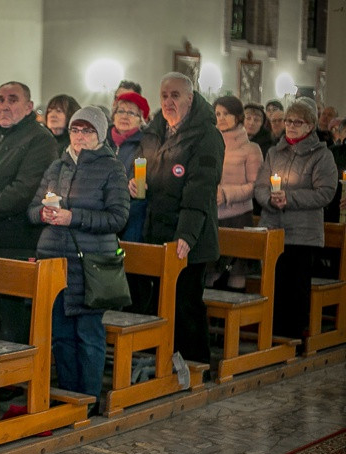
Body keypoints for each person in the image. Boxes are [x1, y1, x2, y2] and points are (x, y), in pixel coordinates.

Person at [28, 107, 128, 413]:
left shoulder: (111, 168)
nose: (80, 137)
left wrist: (74, 217)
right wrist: (42, 214)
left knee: (88, 334)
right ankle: (68, 399)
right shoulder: (57, 166)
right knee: (60, 336)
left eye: (87, 131)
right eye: (75, 130)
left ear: (99, 135)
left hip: (89, 264)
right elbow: (32, 209)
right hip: (54, 262)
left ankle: (89, 401)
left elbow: (118, 217)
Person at [135, 72, 223, 365]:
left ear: (190, 97)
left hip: (190, 236)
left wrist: (186, 235)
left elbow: (200, 188)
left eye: (175, 95)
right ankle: (162, 363)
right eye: (164, 96)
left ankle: (197, 365)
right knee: (158, 302)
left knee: (186, 304)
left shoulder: (206, 135)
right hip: (157, 229)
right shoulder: (154, 131)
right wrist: (133, 182)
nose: (169, 101)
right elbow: (141, 165)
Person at [0, 81, 58, 343]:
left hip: (16, 242)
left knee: (12, 322)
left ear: (29, 106)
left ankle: (12, 381)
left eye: (13, 99)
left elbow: (23, 189)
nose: (5, 105)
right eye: (1, 99)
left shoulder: (40, 139)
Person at [254, 101, 337, 342]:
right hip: (273, 227)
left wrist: (289, 198)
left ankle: (293, 338)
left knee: (295, 288)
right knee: (274, 286)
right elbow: (260, 185)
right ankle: (272, 336)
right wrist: (270, 198)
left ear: (310, 126)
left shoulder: (321, 155)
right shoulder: (273, 152)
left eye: (296, 122)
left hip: (303, 233)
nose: (290, 126)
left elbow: (325, 192)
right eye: (288, 121)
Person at [207, 96, 262, 290]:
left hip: (238, 217)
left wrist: (227, 193)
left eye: (226, 114)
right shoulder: (210, 143)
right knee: (210, 273)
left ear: (238, 117)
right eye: (218, 114)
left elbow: (255, 186)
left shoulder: (250, 149)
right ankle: (211, 319)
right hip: (213, 216)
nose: (221, 118)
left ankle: (234, 317)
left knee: (236, 273)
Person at [109, 91, 149, 243]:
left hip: (130, 209)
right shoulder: (102, 140)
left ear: (141, 120)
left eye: (132, 113)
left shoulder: (146, 144)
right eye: (121, 111)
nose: (125, 116)